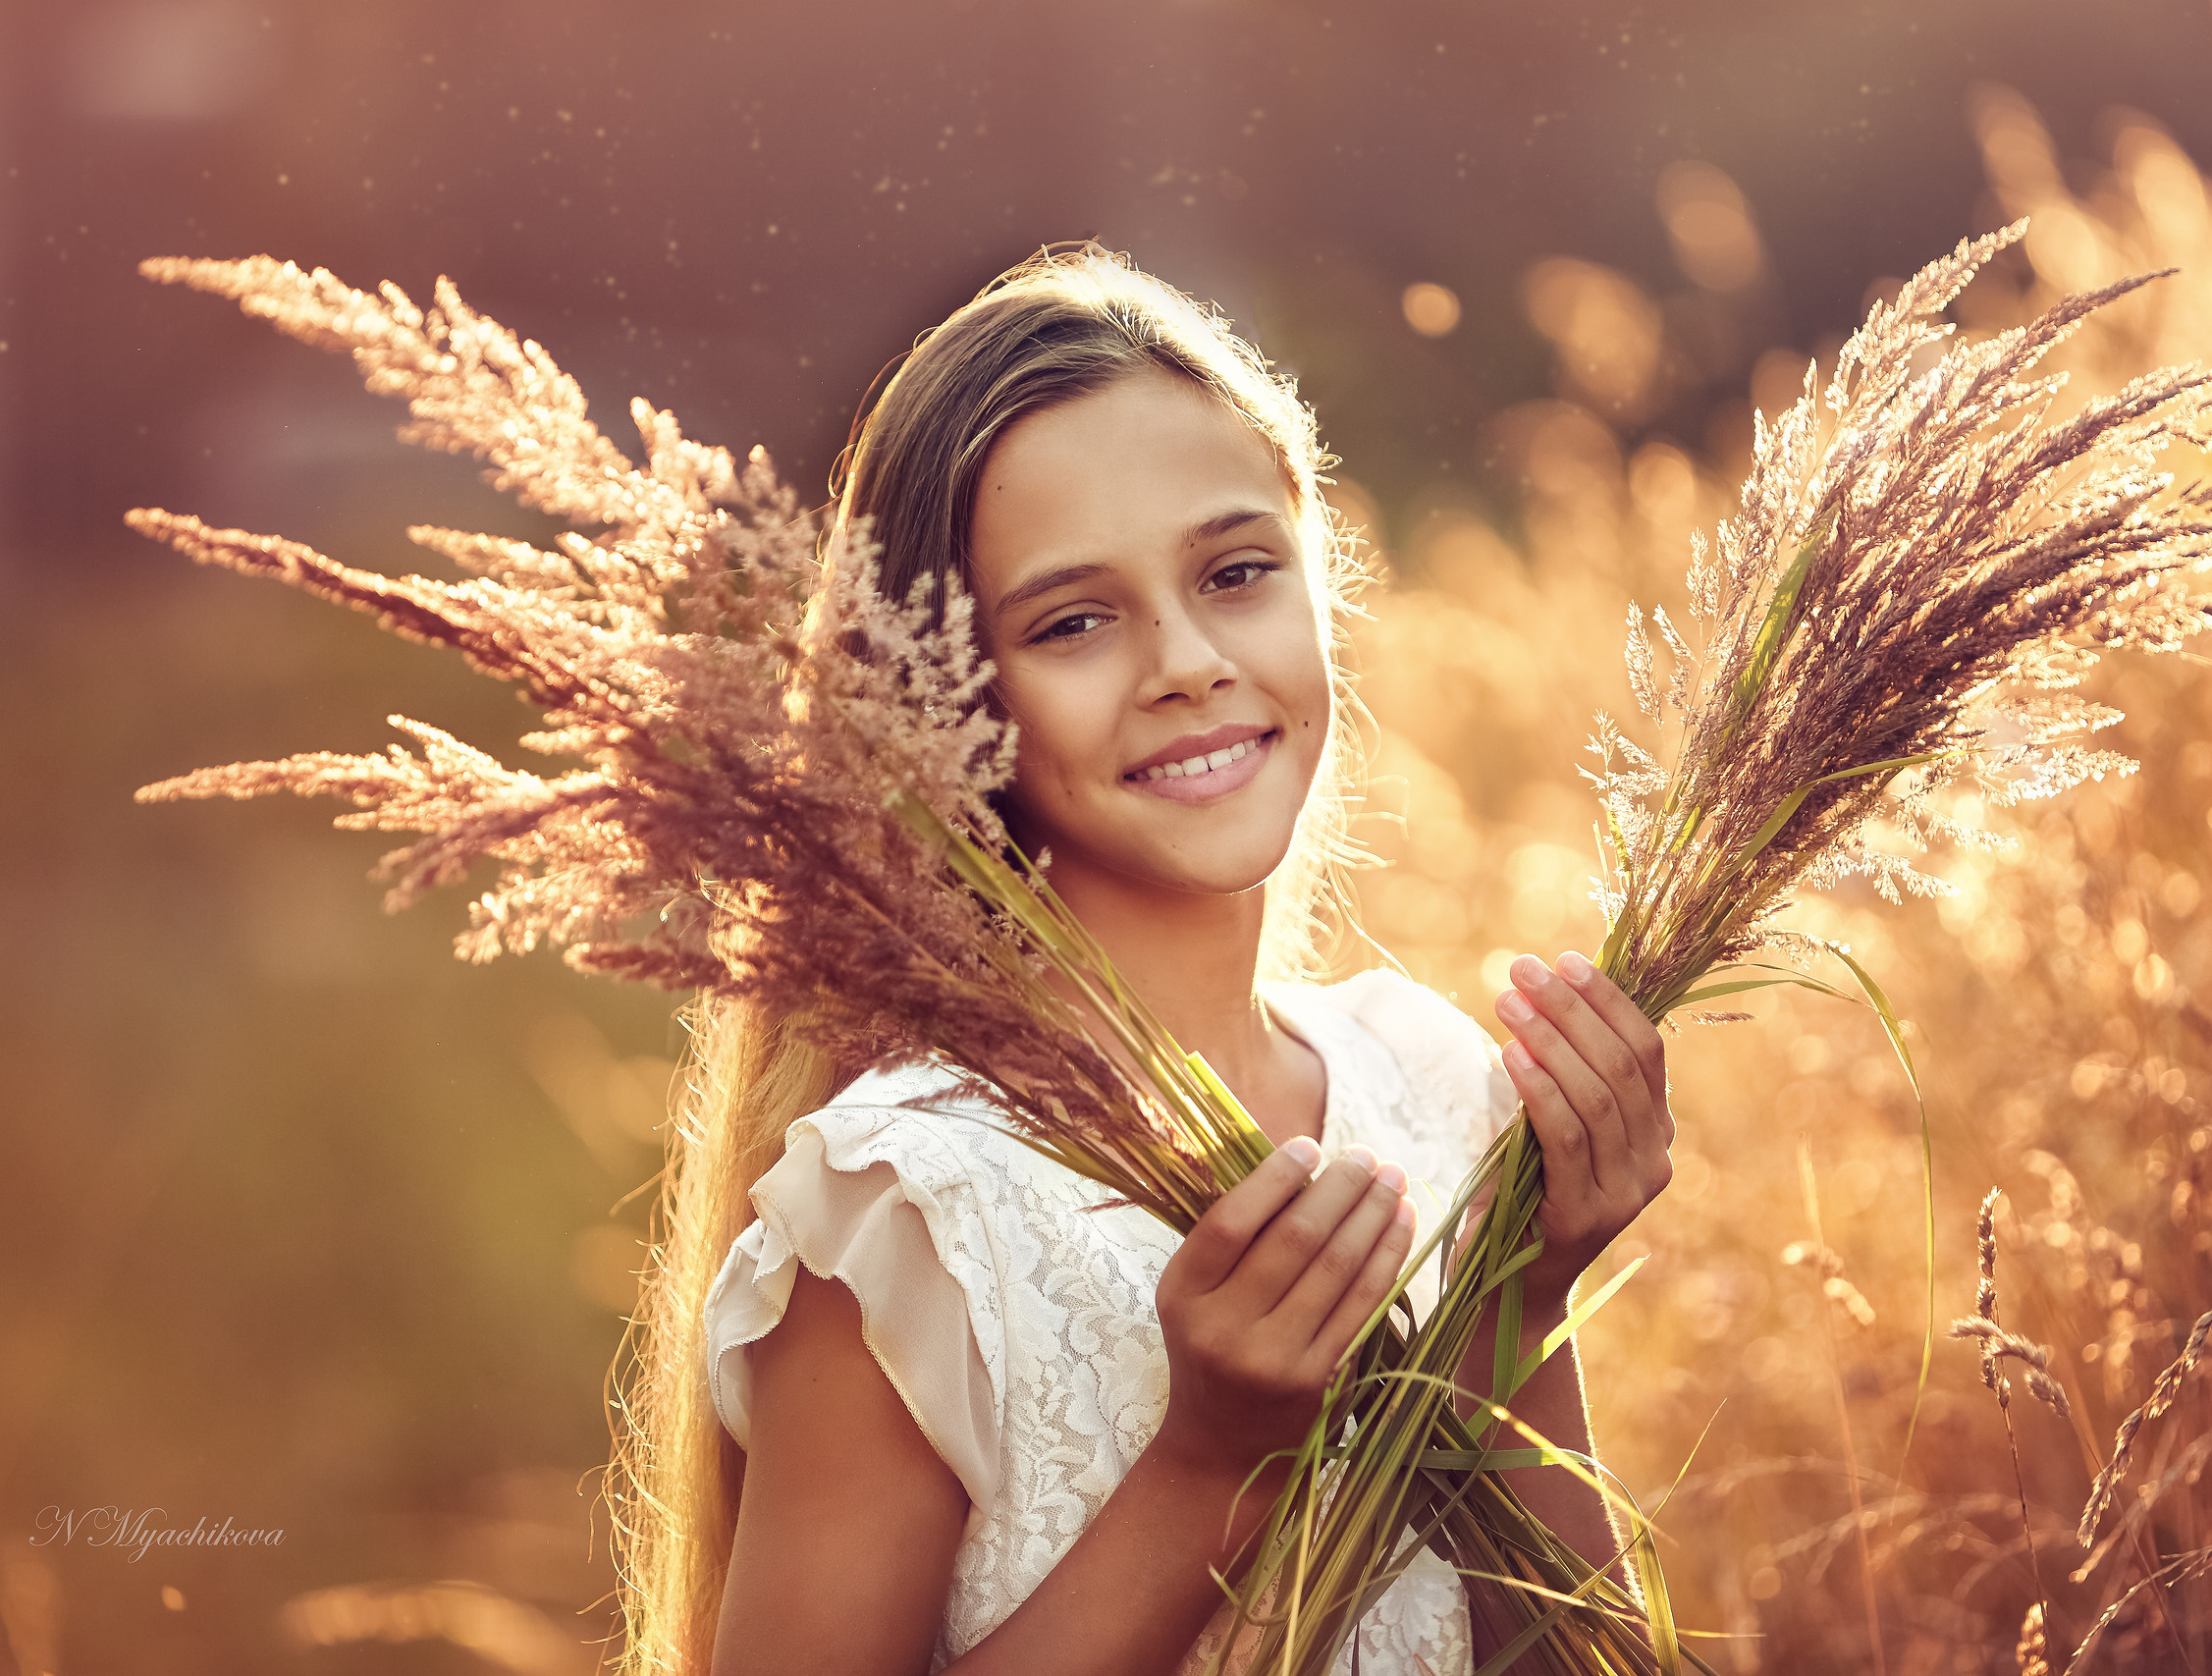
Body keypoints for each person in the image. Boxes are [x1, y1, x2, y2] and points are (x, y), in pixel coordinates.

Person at [609, 245, 1677, 1676]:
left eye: (1237, 572)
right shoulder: (909, 1211)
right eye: (1073, 621)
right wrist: (1207, 1469)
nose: (1185, 660)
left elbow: (1576, 1656)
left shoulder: (1425, 1084)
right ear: (940, 712)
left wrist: (1521, 1306)